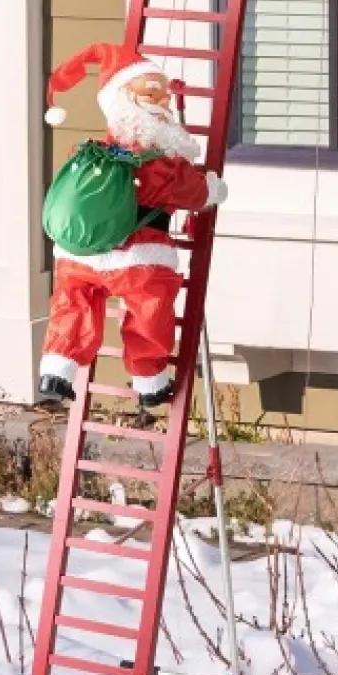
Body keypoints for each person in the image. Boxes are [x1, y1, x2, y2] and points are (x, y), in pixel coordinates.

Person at [36, 42, 227, 410]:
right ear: (125, 97)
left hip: (81, 254)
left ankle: (57, 370)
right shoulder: (159, 158)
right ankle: (149, 381)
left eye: (165, 94)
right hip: (137, 258)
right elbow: (195, 193)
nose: (165, 102)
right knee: (148, 309)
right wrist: (214, 189)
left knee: (73, 302)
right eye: (154, 92)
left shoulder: (92, 151)